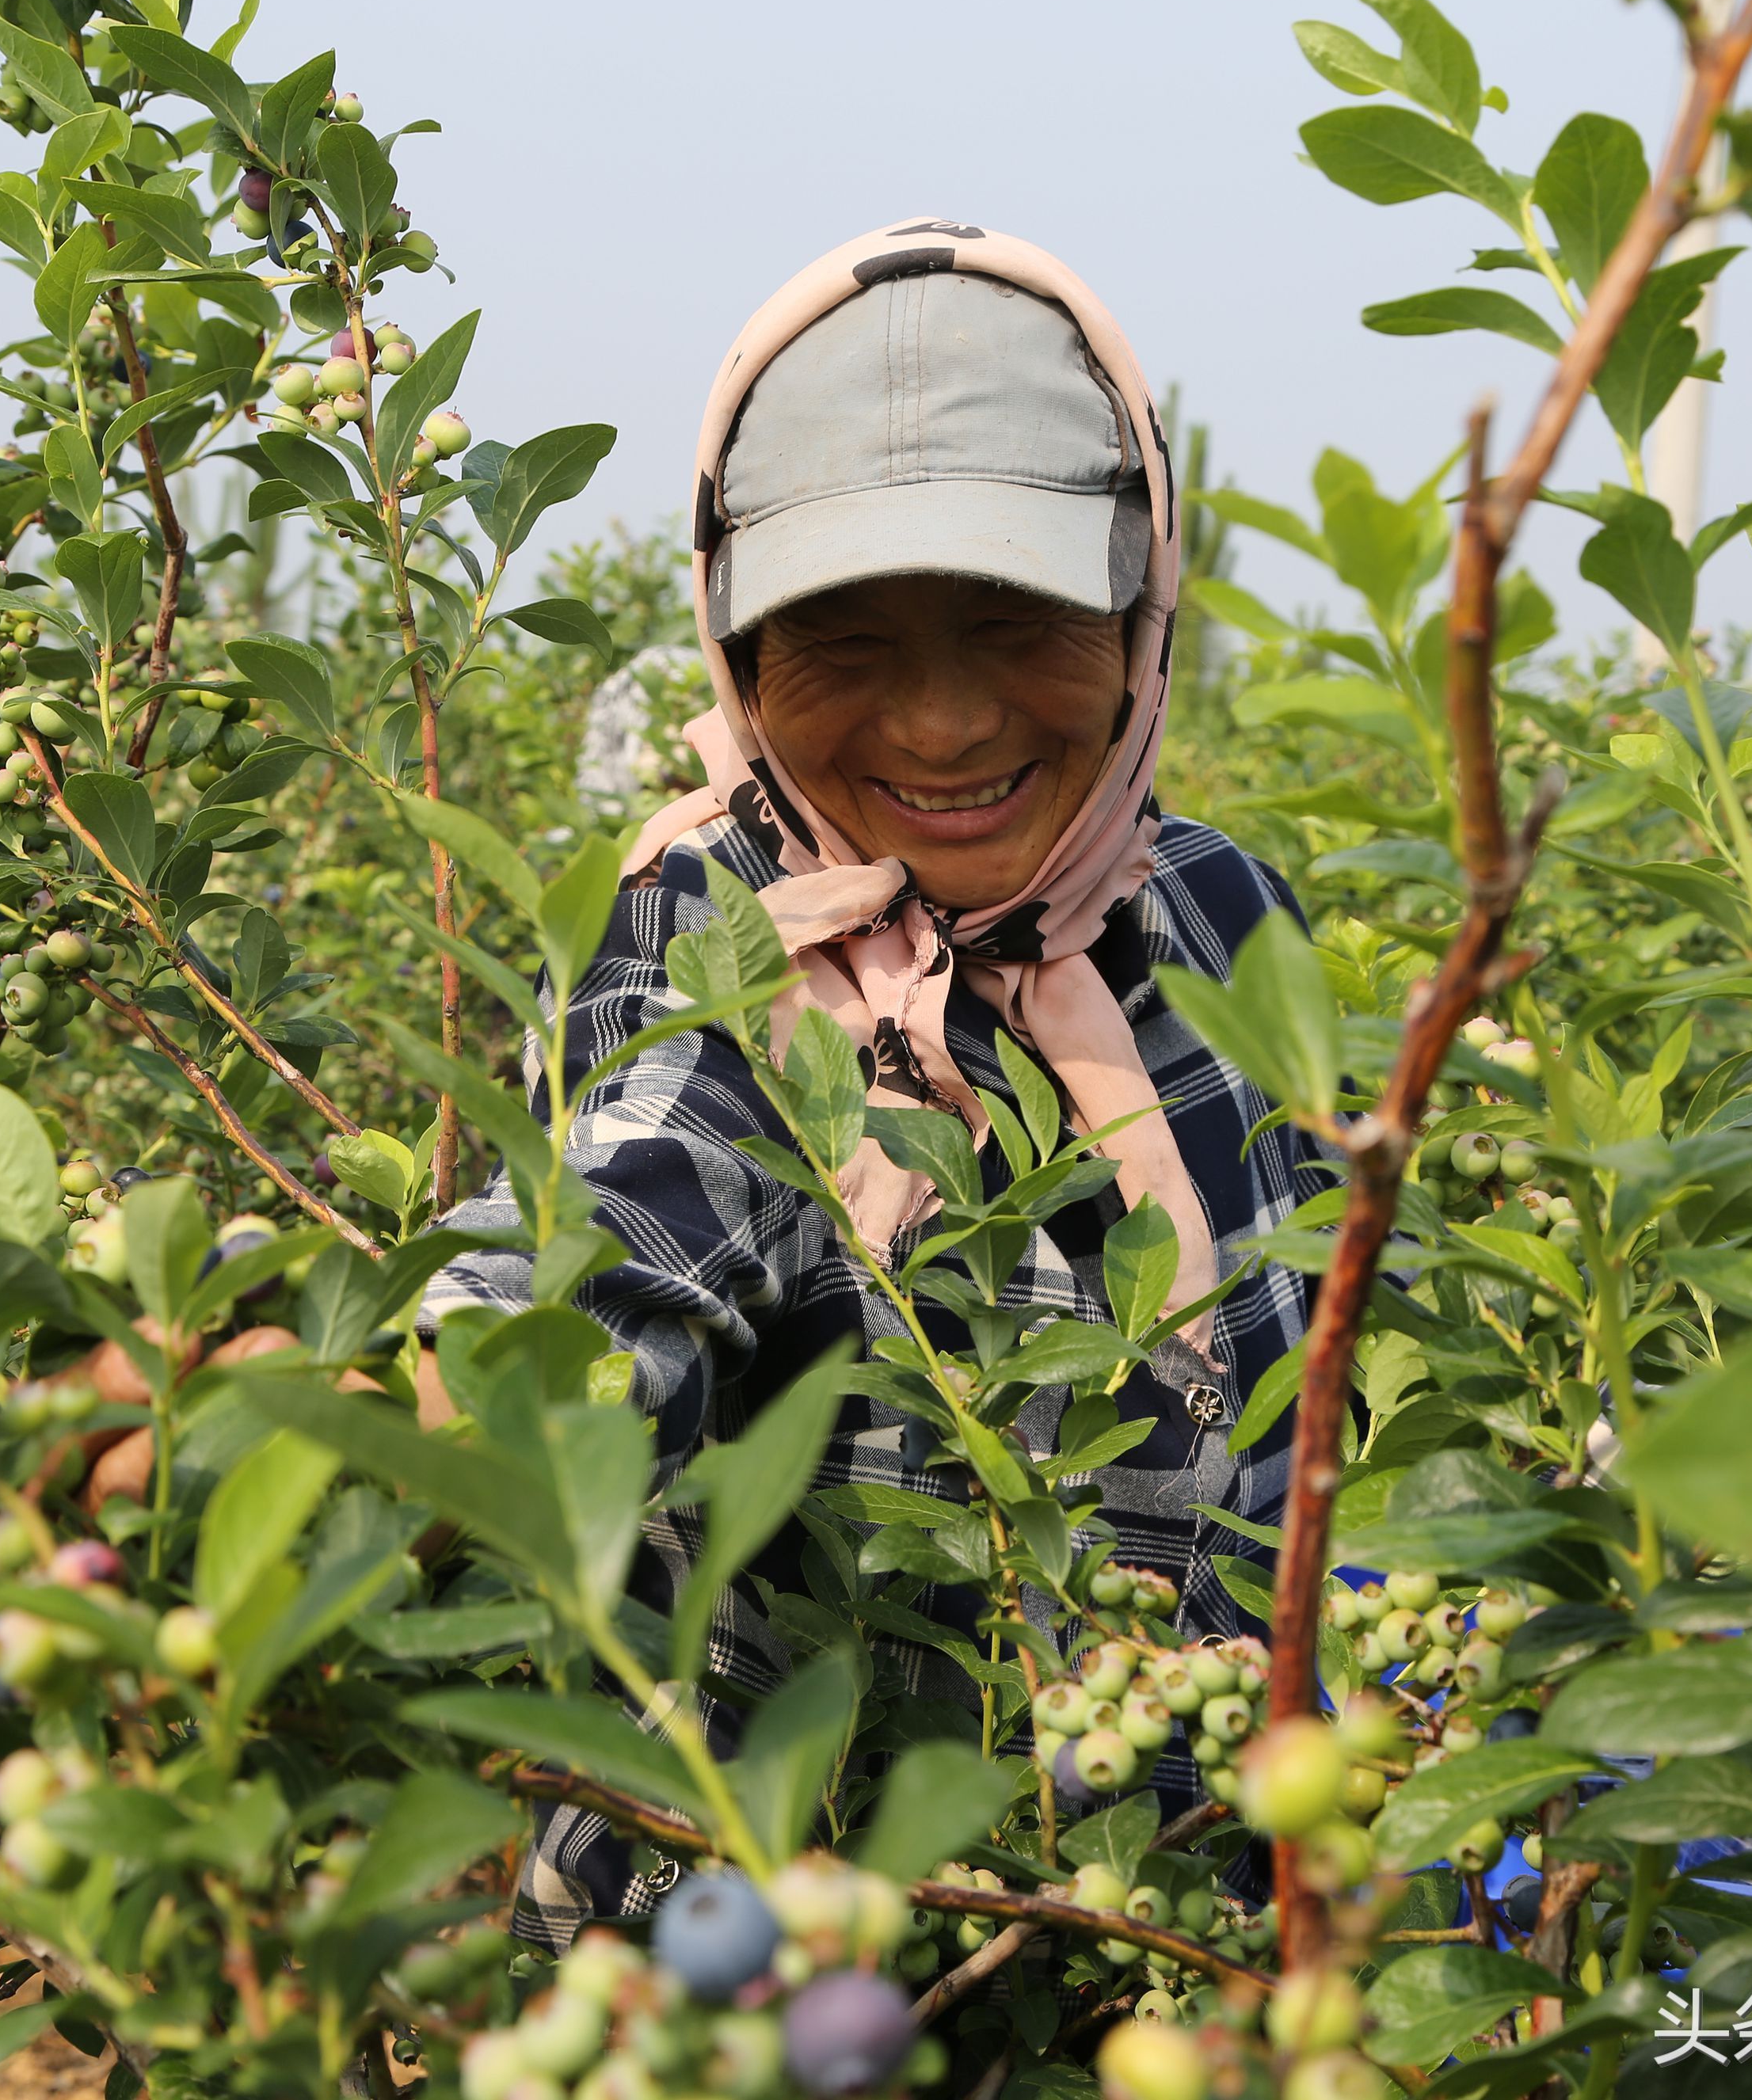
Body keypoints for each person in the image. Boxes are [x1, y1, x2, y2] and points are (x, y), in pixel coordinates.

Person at [415, 221, 1332, 1942]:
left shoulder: (1214, 906)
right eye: (838, 634)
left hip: (1190, 1923)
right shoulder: (707, 926)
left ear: (1138, 618)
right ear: (735, 642)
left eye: (1016, 617)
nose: (938, 725)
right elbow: (605, 1252)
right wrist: (356, 1447)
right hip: (785, 1946)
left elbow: (1320, 1370)